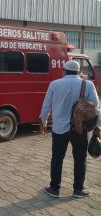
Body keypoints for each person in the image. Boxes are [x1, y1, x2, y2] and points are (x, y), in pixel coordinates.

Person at [39, 60, 101, 198]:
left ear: (64, 70)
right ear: (79, 72)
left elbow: (46, 105)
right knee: (80, 159)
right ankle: (78, 190)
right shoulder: (88, 84)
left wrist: (43, 122)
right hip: (80, 129)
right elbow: (96, 108)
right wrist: (98, 127)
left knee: (57, 158)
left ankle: (54, 189)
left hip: (59, 128)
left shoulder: (54, 84)